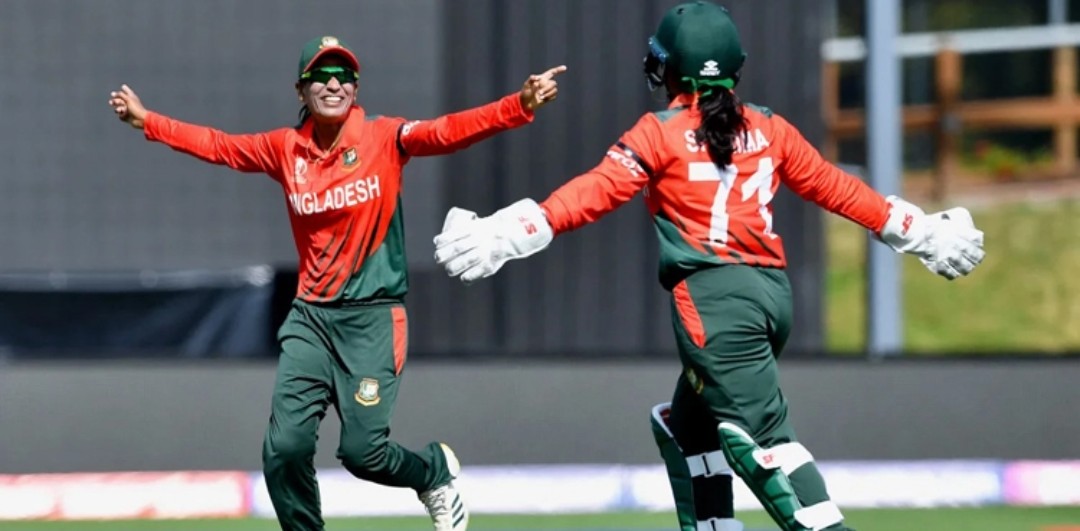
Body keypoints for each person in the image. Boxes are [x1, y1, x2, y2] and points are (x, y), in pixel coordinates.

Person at [431, 3, 985, 531]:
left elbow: (591, 194)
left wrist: (507, 234)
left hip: (715, 308)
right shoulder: (770, 127)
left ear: (670, 69)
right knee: (688, 429)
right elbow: (836, 188)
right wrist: (921, 232)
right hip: (770, 299)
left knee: (766, 441)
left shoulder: (658, 132)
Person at [108, 35, 565, 531]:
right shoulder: (285, 149)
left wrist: (518, 105)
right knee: (284, 449)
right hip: (311, 319)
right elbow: (219, 146)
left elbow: (446, 131)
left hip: (373, 318)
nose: (333, 84)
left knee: (364, 453)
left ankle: (433, 471)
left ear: (355, 87)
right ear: (301, 90)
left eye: (344, 76)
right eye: (321, 76)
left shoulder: (384, 137)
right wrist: (148, 121)